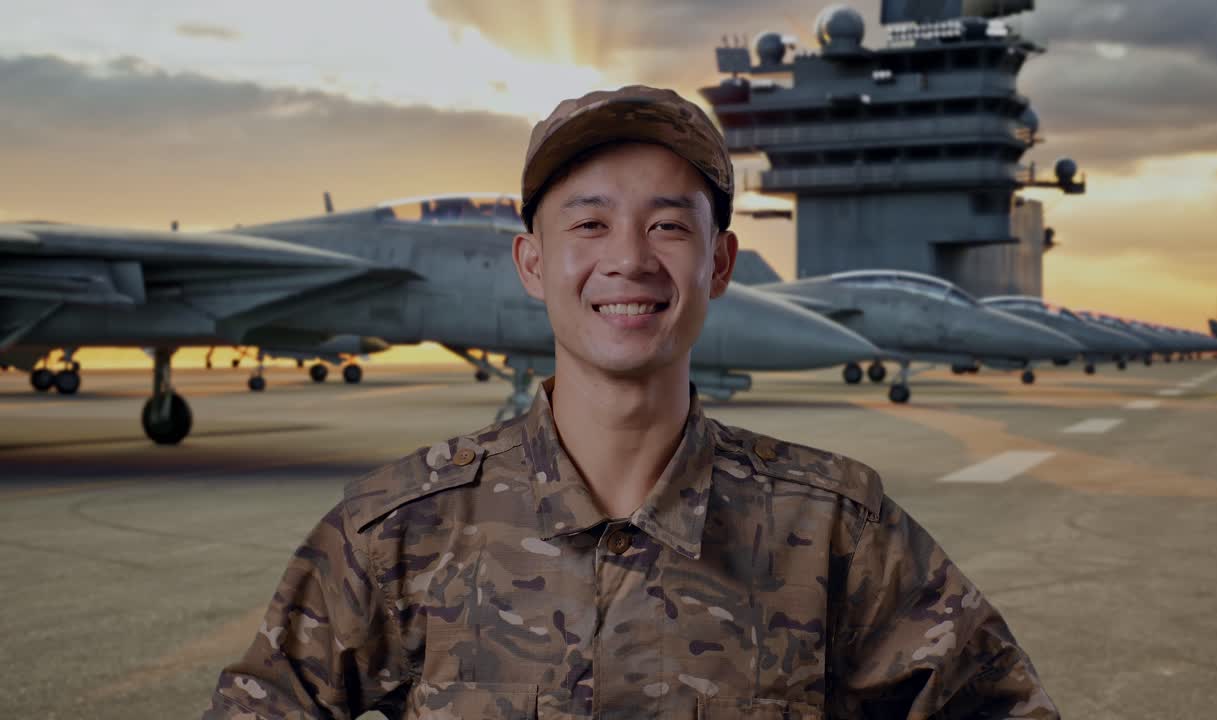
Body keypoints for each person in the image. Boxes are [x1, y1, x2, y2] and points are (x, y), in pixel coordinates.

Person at [205, 85, 1059, 719]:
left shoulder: (837, 530)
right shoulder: (395, 530)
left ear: (718, 265)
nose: (629, 260)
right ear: (532, 263)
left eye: (667, 226)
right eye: (588, 224)